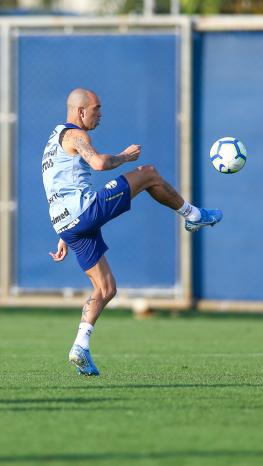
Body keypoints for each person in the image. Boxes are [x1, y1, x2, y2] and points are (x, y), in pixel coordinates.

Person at [45, 88, 222, 376]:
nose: (100, 115)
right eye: (96, 109)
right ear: (80, 112)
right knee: (148, 172)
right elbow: (99, 163)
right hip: (83, 212)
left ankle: (80, 345)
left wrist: (65, 232)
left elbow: (57, 184)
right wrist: (125, 157)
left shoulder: (54, 139)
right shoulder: (77, 135)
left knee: (106, 288)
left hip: (67, 222)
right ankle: (194, 215)